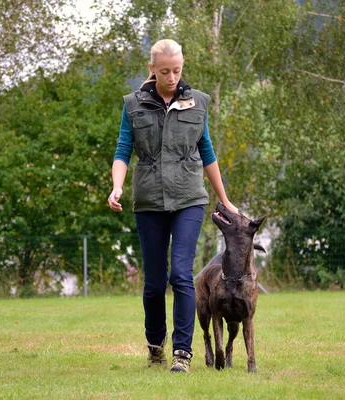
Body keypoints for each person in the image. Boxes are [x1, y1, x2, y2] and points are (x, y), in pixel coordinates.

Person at [107, 39, 238, 373]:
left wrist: (224, 199)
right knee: (154, 281)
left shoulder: (198, 103)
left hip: (188, 199)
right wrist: (117, 186)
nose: (171, 77)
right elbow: (123, 148)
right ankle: (155, 346)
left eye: (177, 70)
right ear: (152, 69)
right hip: (149, 200)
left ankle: (183, 353)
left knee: (181, 274)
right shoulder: (133, 104)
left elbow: (207, 152)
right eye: (164, 71)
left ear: (182, 65)